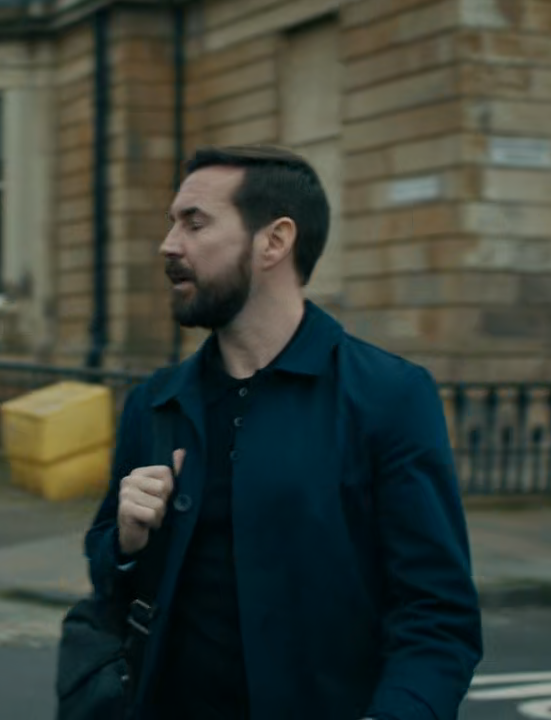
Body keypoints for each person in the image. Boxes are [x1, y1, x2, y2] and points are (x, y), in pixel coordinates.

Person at [82, 146, 482, 719]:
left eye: (194, 223)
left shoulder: (387, 396)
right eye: (172, 223)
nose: (169, 245)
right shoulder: (155, 402)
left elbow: (438, 614)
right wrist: (125, 543)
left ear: (274, 241)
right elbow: (110, 585)